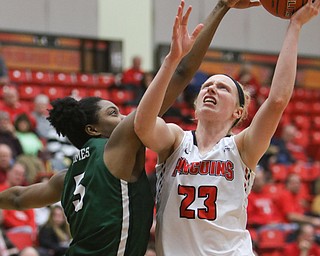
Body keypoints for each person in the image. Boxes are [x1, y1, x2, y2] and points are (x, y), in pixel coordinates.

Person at [0, 0, 261, 254]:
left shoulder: (66, 178)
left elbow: (18, 198)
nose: (125, 116)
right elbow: (181, 74)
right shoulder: (121, 143)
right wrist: (221, 7)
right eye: (113, 113)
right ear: (93, 130)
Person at [133, 1, 320, 255]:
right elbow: (142, 124)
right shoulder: (176, 140)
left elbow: (277, 101)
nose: (211, 88)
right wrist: (172, 60)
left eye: (223, 88)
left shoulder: (242, 148)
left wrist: (295, 26)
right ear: (196, 106)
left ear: (238, 112)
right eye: (207, 86)